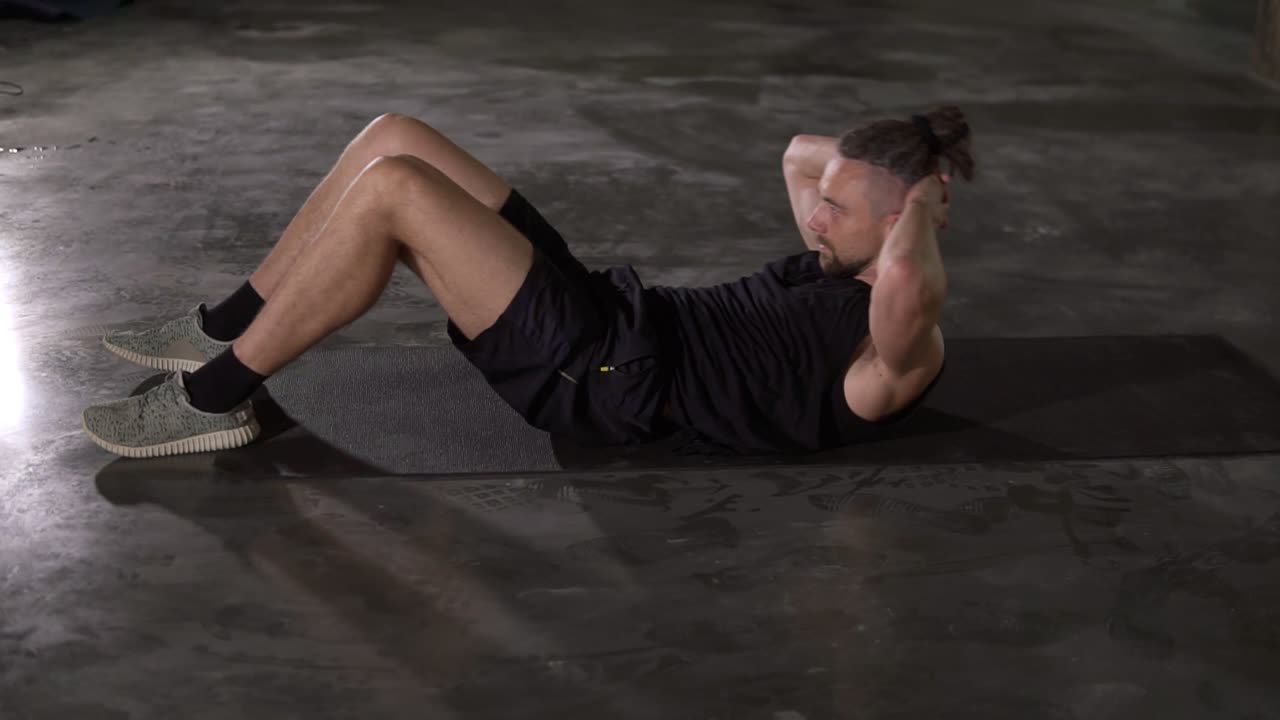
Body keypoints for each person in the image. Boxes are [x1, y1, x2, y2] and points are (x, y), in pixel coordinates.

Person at [82, 106, 974, 458]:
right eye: (822, 206)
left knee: (395, 195)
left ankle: (214, 398)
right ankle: (228, 324)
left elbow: (908, 282)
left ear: (902, 229)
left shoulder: (893, 344)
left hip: (601, 381)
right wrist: (898, 167)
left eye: (840, 211)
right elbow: (800, 155)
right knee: (396, 138)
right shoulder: (842, 246)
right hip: (606, 319)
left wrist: (920, 205)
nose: (813, 216)